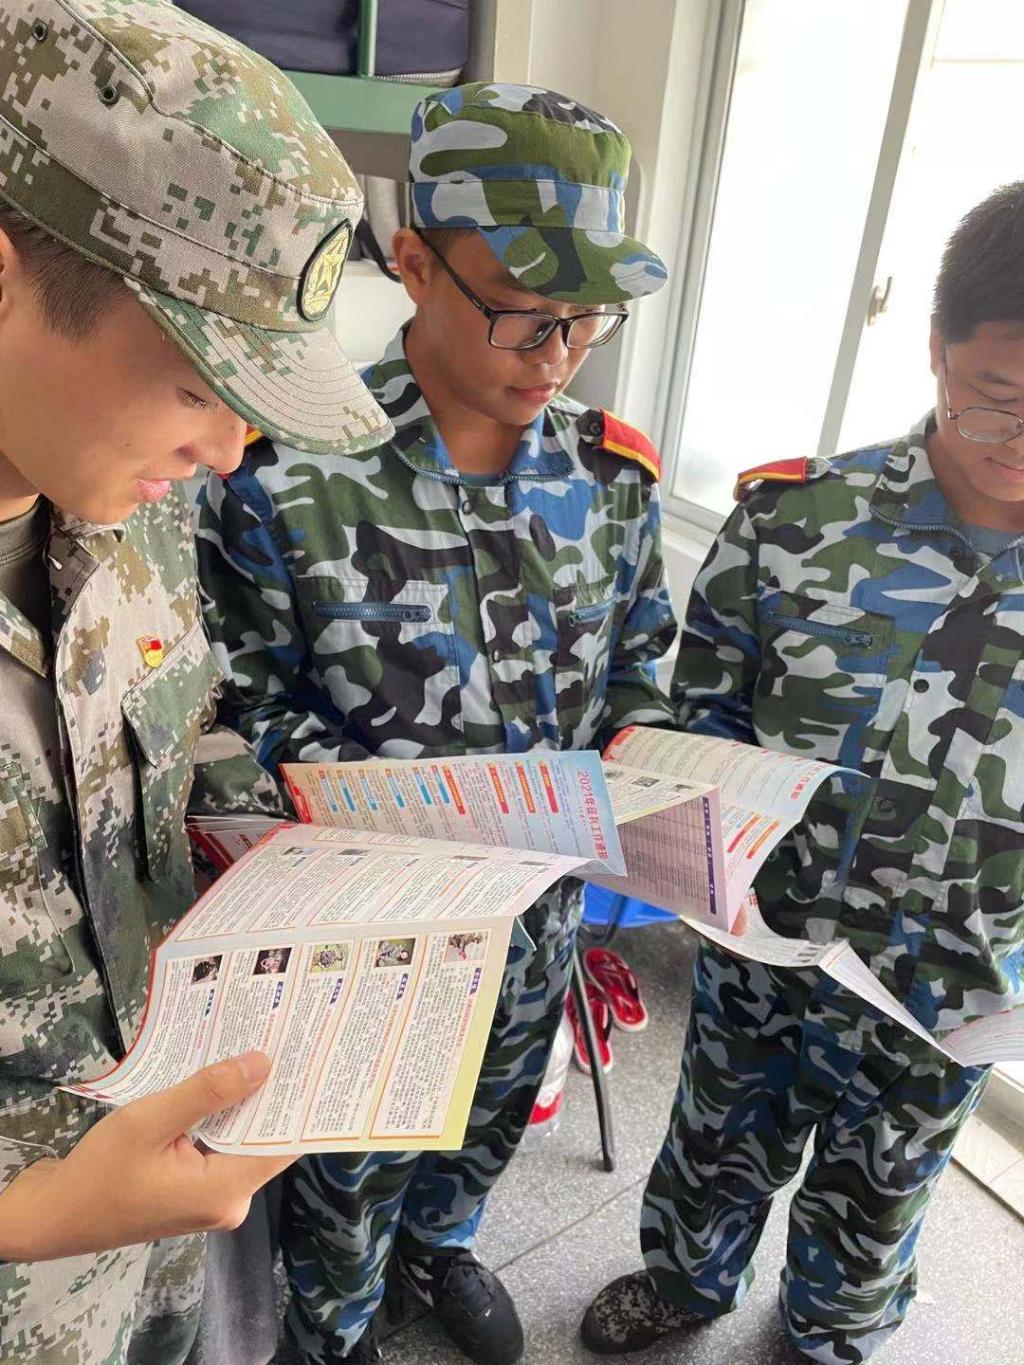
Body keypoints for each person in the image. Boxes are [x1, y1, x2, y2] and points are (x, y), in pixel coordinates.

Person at [198, 81, 675, 1365]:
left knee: (484, 1125)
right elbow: (233, 716)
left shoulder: (610, 478)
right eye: (523, 312)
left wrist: (649, 770)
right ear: (413, 263)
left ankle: (442, 1247)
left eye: (587, 317)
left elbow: (637, 664)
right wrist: (393, 807)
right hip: (369, 937)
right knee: (346, 1162)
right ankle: (335, 1322)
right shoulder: (281, 474)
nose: (558, 352)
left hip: (539, 923)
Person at [0, 2, 389, 1361]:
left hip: (159, 1240)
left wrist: (280, 847)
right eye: (194, 385)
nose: (228, 454)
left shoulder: (122, 495)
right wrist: (31, 1211)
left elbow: (174, 729)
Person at [581, 180, 1024, 1363]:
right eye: (999, 398)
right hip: (763, 949)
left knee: (877, 1202)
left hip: (953, 991)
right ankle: (684, 1282)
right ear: (936, 351)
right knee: (716, 1143)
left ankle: (832, 1330)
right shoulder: (794, 524)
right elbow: (698, 732)